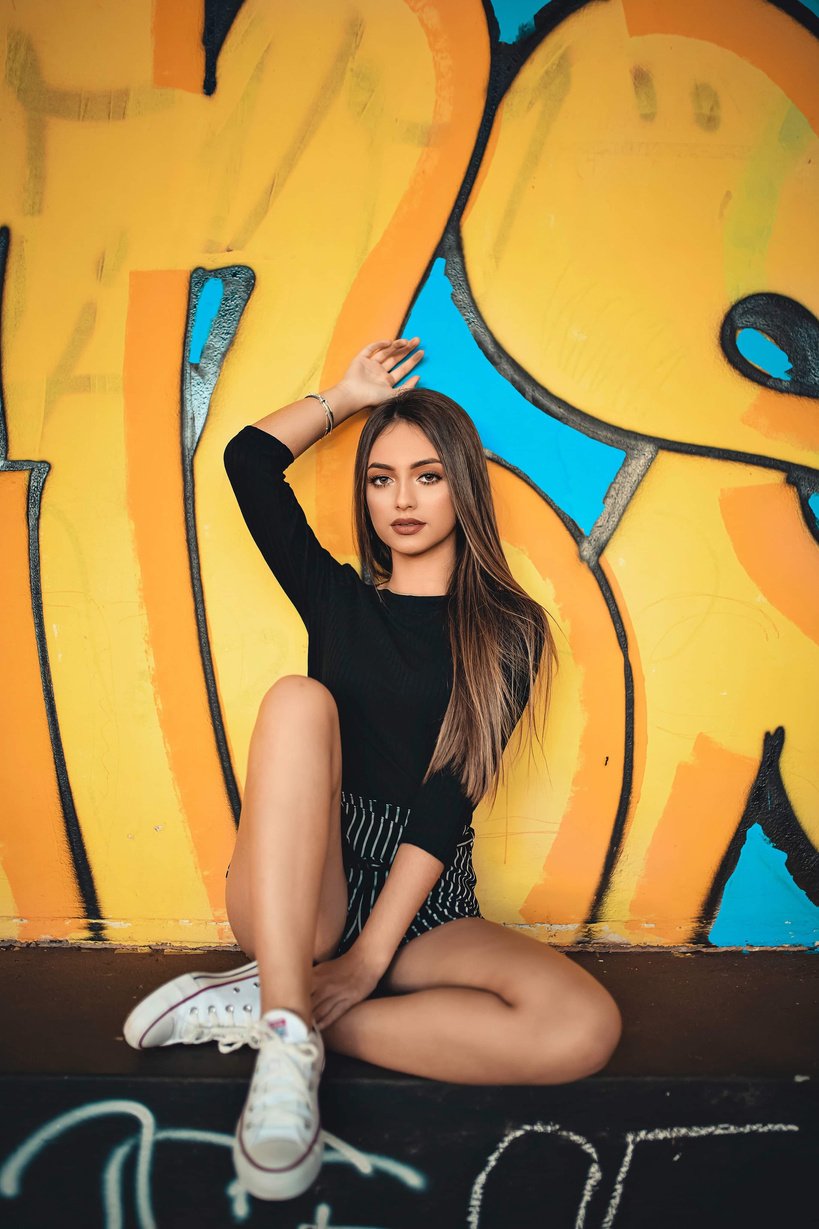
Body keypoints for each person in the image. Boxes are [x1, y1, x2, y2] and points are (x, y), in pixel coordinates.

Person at [123, 336, 622, 1202]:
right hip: (303, 884)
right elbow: (247, 461)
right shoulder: (336, 599)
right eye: (380, 477)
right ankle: (287, 1023)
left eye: (426, 475)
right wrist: (347, 397)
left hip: (424, 897)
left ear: (461, 487)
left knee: (583, 1028)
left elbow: (445, 803)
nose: (401, 498)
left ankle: (285, 1013)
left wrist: (367, 963)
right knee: (295, 699)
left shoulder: (508, 629)